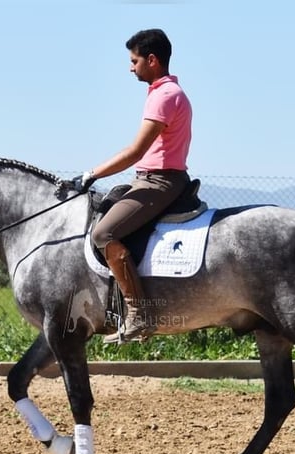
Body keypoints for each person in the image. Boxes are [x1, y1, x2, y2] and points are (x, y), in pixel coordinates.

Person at [78, 28, 193, 344]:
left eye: (134, 61)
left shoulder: (164, 96)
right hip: (149, 177)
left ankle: (138, 314)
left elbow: (135, 152)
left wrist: (92, 173)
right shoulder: (164, 93)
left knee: (104, 234)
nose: (131, 68)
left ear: (152, 60)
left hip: (160, 181)